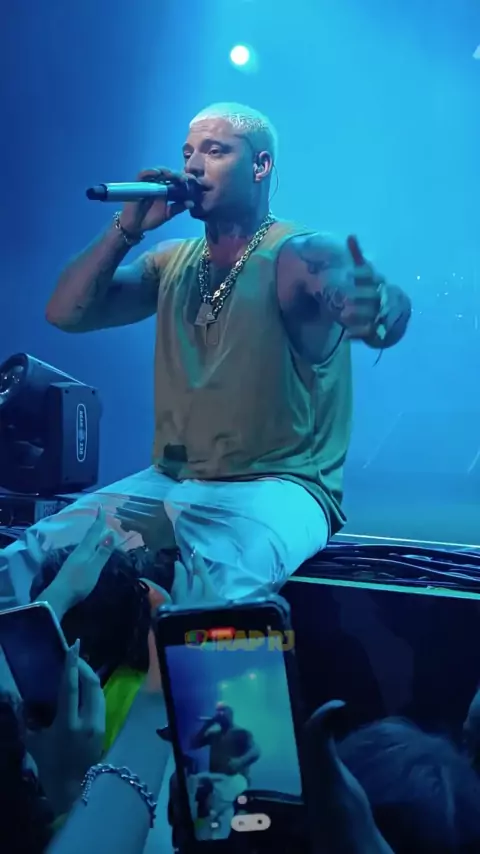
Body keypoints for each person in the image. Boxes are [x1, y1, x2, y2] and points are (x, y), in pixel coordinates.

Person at [3, 101, 412, 602]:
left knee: (214, 601)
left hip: (277, 488)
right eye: (188, 152)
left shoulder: (300, 253)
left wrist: (378, 310)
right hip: (168, 483)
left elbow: (373, 305)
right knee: (27, 562)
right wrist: (126, 230)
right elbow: (65, 313)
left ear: (260, 165)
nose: (193, 166)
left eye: (215, 151)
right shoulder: (170, 261)